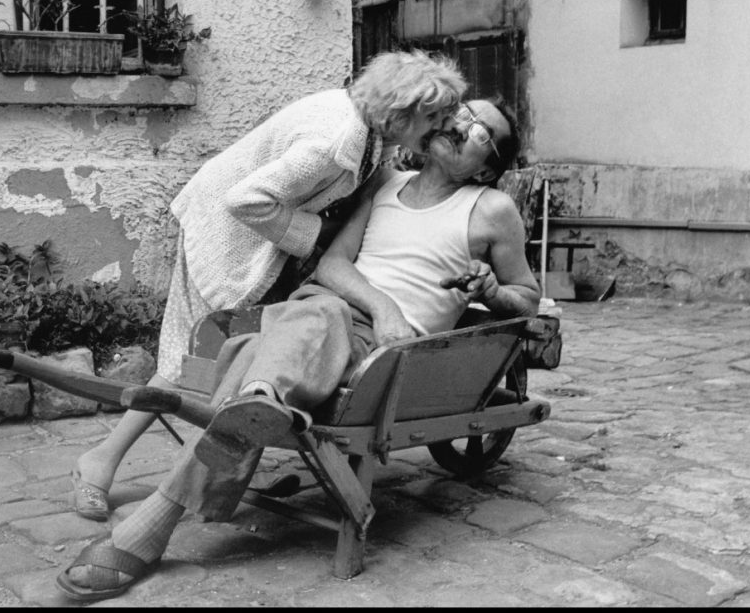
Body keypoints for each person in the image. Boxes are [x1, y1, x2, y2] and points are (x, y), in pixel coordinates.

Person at [56, 99, 540, 601]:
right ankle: (253, 407)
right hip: (320, 320)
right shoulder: (386, 186)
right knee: (270, 336)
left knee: (267, 346)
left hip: (381, 355)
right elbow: (331, 266)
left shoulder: (492, 210)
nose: (462, 125)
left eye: (482, 131)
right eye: (463, 112)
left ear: (488, 166)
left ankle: (160, 514)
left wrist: (488, 292)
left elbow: (526, 300)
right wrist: (380, 305)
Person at [71, 50, 468, 521]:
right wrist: (315, 236)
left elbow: (366, 177)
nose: (441, 126)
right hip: (224, 231)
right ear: (401, 112)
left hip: (258, 235)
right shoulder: (330, 140)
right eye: (434, 116)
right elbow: (244, 199)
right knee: (187, 359)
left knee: (254, 349)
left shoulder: (368, 128)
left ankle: (222, 463)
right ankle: (101, 461)